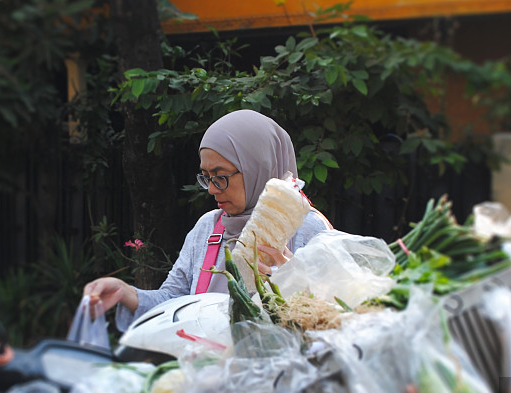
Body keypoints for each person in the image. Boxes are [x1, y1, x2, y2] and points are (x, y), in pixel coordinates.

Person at [83, 109, 331, 331]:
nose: (212, 189)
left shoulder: (308, 229)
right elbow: (172, 303)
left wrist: (292, 282)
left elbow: (334, 321)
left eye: (220, 176)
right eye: (206, 177)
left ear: (259, 166)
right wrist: (125, 292)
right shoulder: (208, 228)